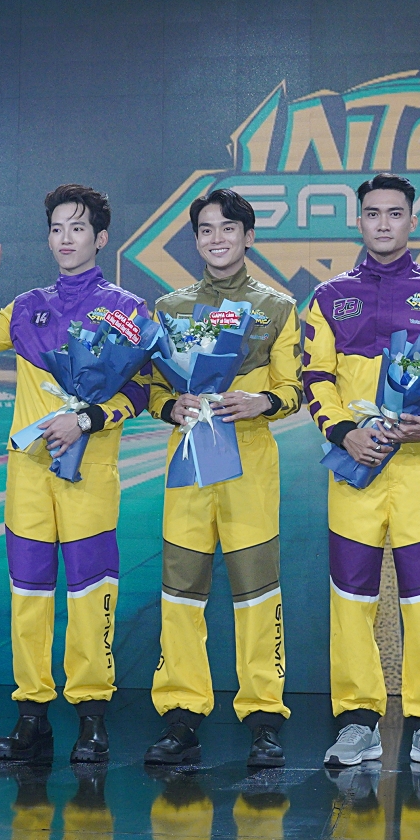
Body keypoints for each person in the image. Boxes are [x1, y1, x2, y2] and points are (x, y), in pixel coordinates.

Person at [0, 185, 152, 765]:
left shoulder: (127, 309)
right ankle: (32, 715)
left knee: (91, 595)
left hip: (90, 472)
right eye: (57, 228)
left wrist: (87, 418)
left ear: (101, 237)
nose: (66, 238)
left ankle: (92, 716)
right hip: (29, 475)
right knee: (30, 595)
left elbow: (142, 389)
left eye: (78, 228)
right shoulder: (25, 306)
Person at [303, 173, 420, 772]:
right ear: (358, 221)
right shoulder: (329, 296)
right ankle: (357, 720)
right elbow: (315, 376)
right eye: (373, 213)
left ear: (412, 220)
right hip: (354, 464)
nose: (383, 223)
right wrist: (342, 432)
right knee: (350, 593)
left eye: (395, 213)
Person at [142, 188, 301, 770]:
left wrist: (263, 401)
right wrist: (171, 407)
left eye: (229, 228)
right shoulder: (169, 307)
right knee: (181, 590)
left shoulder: (278, 307)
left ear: (248, 236)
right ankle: (181, 716)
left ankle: (263, 718)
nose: (217, 238)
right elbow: (152, 390)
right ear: (196, 239)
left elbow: (295, 388)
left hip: (249, 465)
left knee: (257, 592)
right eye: (206, 229)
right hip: (187, 464)